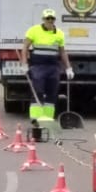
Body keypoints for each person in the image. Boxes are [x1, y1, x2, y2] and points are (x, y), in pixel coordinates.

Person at [23, 9, 70, 141]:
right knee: (37, 92)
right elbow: (25, 47)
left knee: (52, 94)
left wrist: (68, 68)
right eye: (47, 18)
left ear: (54, 20)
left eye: (52, 18)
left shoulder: (59, 33)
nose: (49, 21)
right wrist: (24, 63)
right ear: (43, 19)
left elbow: (62, 52)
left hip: (53, 67)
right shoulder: (34, 30)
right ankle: (36, 121)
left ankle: (47, 121)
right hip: (38, 67)